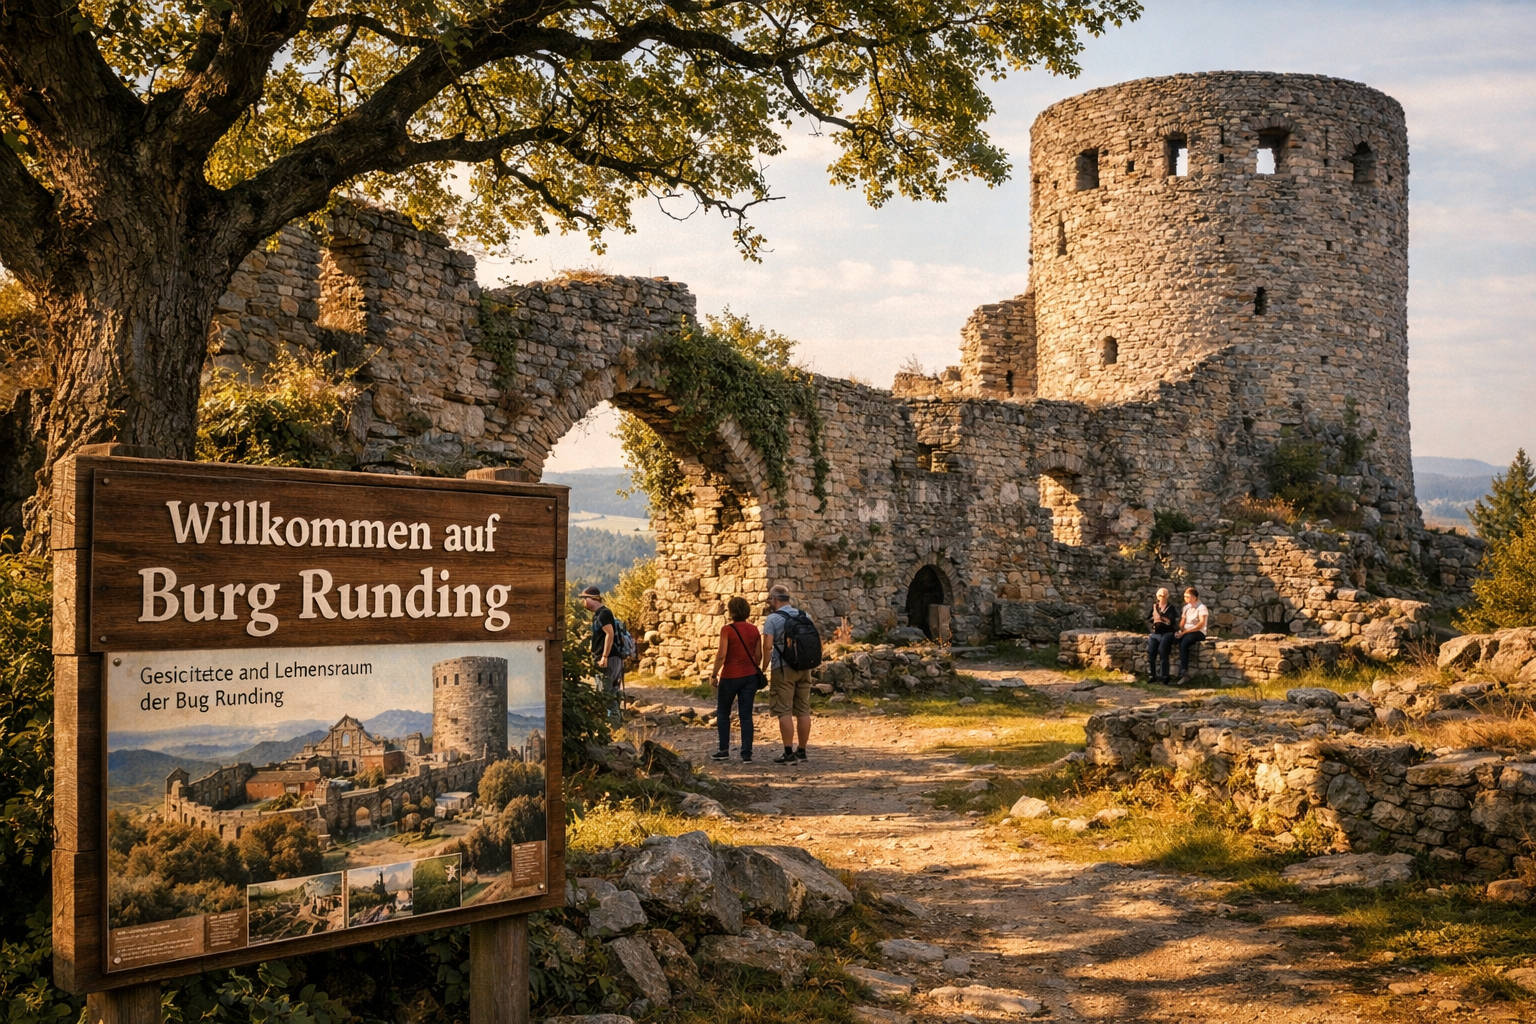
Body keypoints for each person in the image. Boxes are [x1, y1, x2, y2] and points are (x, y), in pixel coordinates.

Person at [761, 584, 813, 764]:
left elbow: (767, 646)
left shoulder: (773, 619)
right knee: (803, 710)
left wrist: (763, 667)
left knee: (784, 710)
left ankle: (788, 752)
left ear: (774, 599)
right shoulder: (805, 616)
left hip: (783, 668)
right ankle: (802, 751)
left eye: (770, 599)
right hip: (805, 668)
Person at [709, 596, 762, 762]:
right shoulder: (754, 630)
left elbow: (722, 655)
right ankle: (746, 753)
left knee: (723, 712)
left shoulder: (727, 630)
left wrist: (713, 674)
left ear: (730, 611)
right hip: (750, 676)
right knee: (746, 715)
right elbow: (758, 655)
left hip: (730, 676)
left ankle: (723, 750)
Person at [581, 585, 625, 724]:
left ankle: (613, 727)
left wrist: (604, 656)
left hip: (607, 659)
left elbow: (609, 634)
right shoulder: (600, 614)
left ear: (593, 599)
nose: (583, 602)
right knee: (609, 692)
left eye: (584, 598)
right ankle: (613, 725)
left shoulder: (603, 614)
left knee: (605, 694)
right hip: (610, 658)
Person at [1173, 586, 1209, 685]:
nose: (1185, 598)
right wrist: (1181, 630)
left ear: (1193, 597)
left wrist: (1186, 632)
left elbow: (1201, 623)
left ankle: (1184, 671)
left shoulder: (1201, 608)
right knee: (1173, 638)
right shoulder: (1186, 608)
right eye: (1185, 596)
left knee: (1184, 643)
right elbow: (1182, 622)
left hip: (1198, 632)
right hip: (1186, 630)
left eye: (1187, 596)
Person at [1146, 587, 1178, 683]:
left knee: (1163, 651)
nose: (1162, 597)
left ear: (1167, 596)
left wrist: (1163, 618)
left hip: (1167, 633)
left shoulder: (1171, 608)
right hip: (1155, 633)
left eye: (1164, 595)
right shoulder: (1154, 607)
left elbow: (1172, 621)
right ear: (1157, 596)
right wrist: (1151, 627)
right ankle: (1152, 676)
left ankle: (1165, 676)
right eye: (1160, 595)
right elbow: (1147, 619)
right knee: (1151, 652)